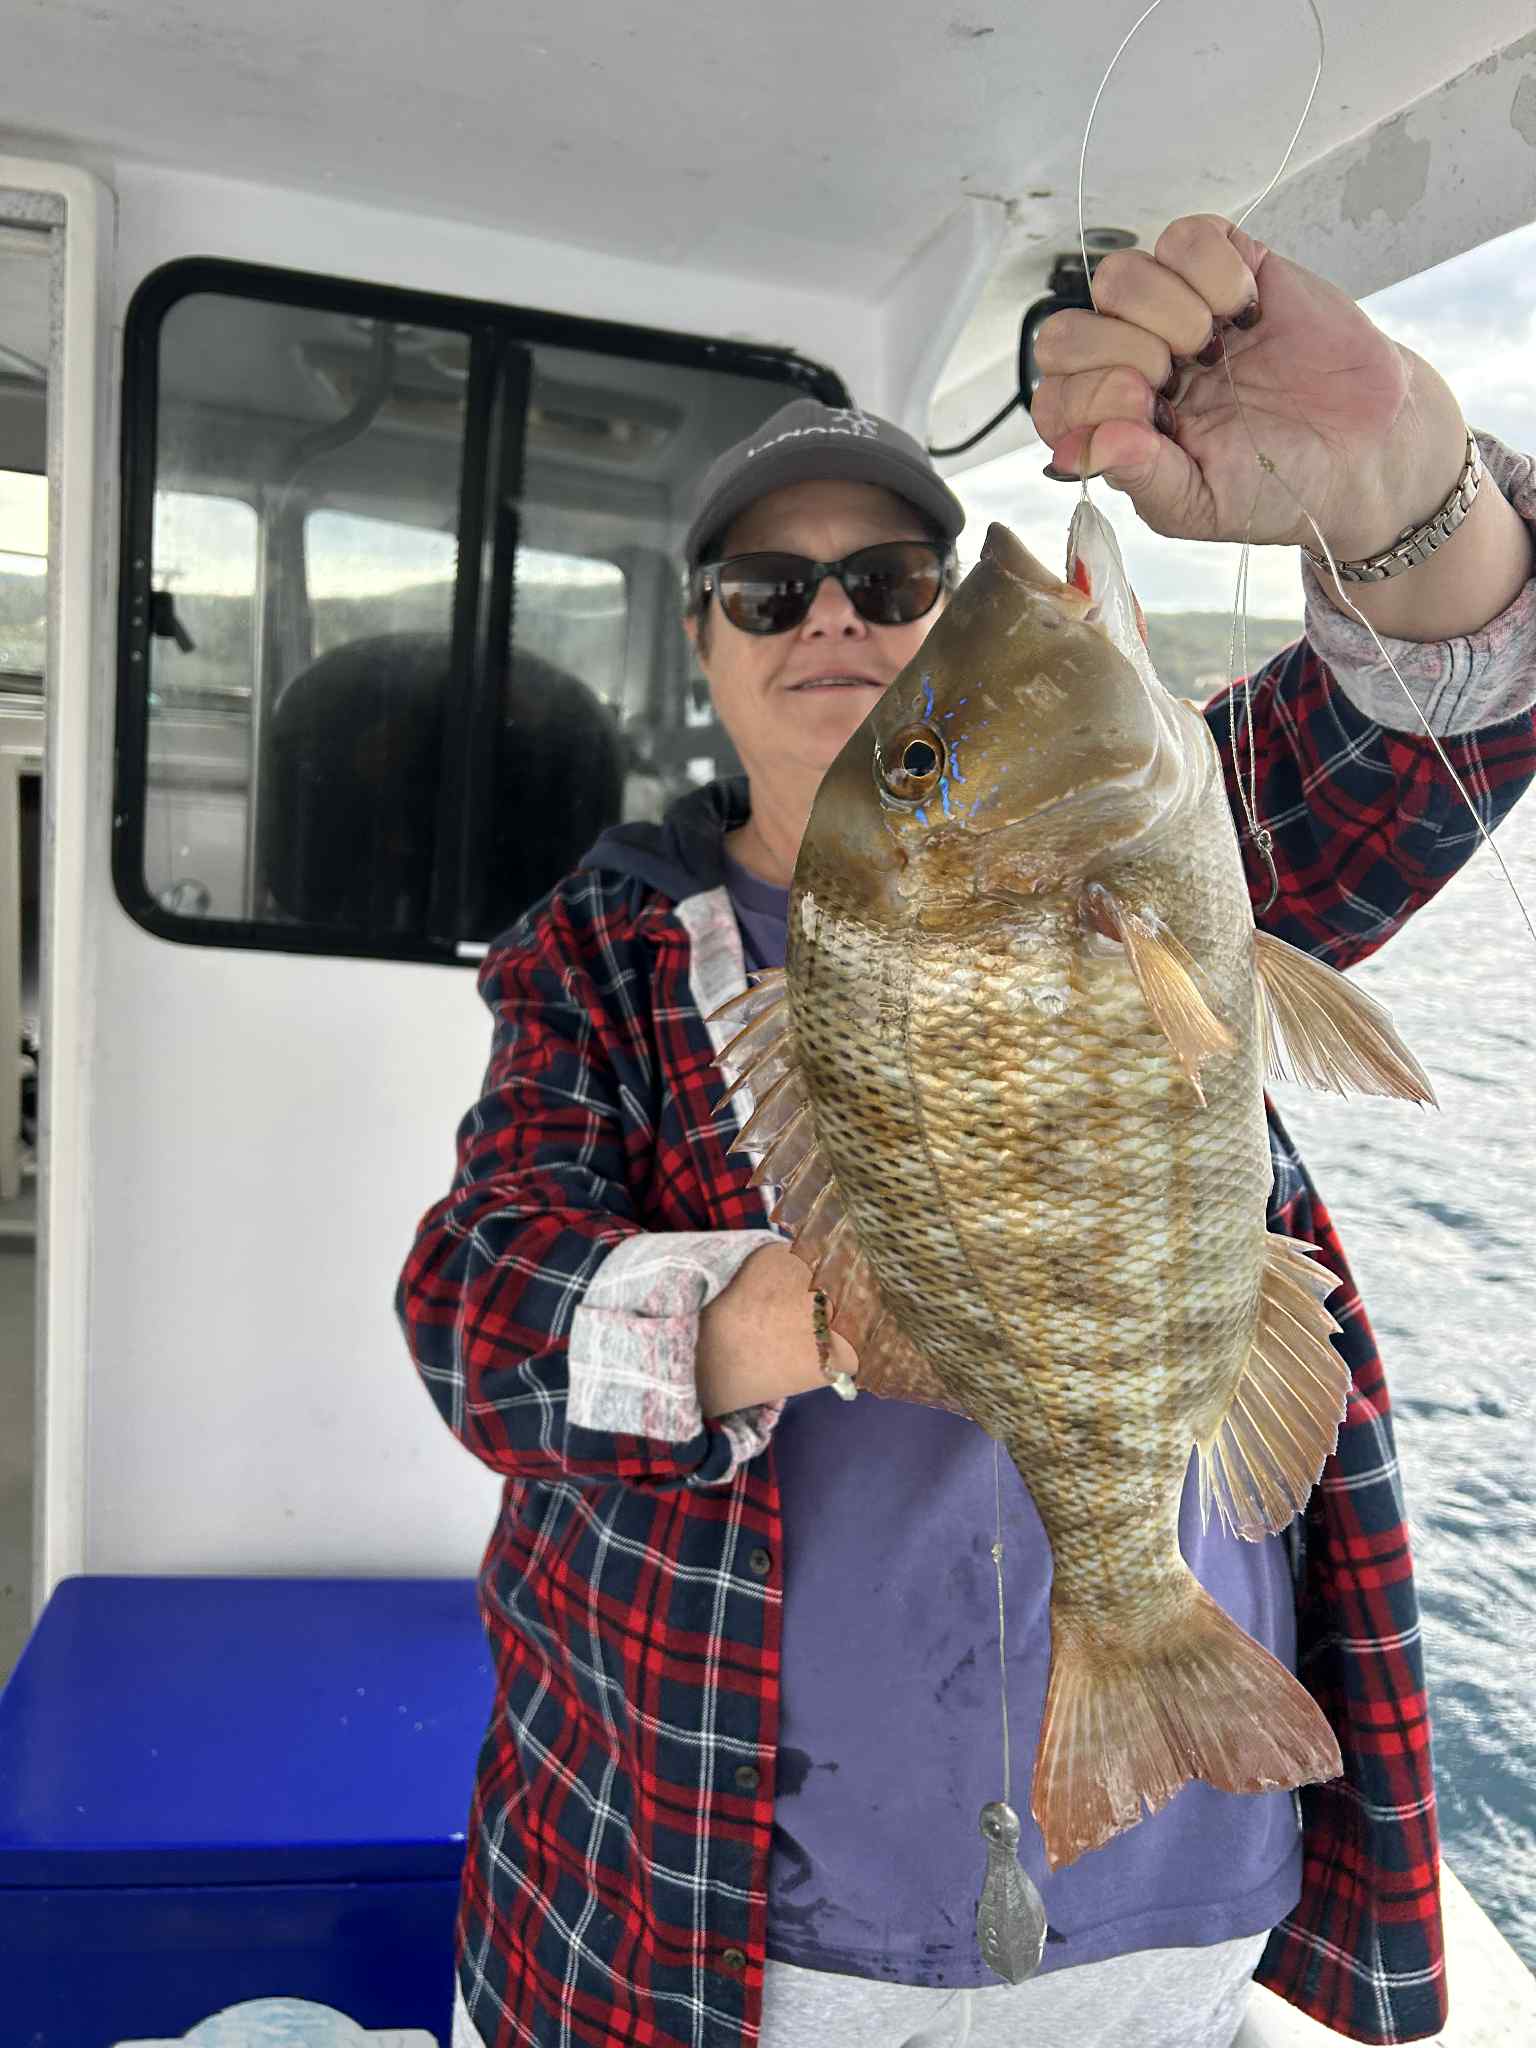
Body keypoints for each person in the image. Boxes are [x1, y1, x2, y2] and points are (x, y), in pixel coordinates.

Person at [397, 214, 1536, 2048]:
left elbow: (1429, 727)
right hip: (718, 1927)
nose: (833, 616)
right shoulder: (596, 960)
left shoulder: (1172, 832)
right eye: (769, 589)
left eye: (891, 577)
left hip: (1177, 1890)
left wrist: (1395, 464)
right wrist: (829, 1309)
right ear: (703, 642)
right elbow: (476, 1322)